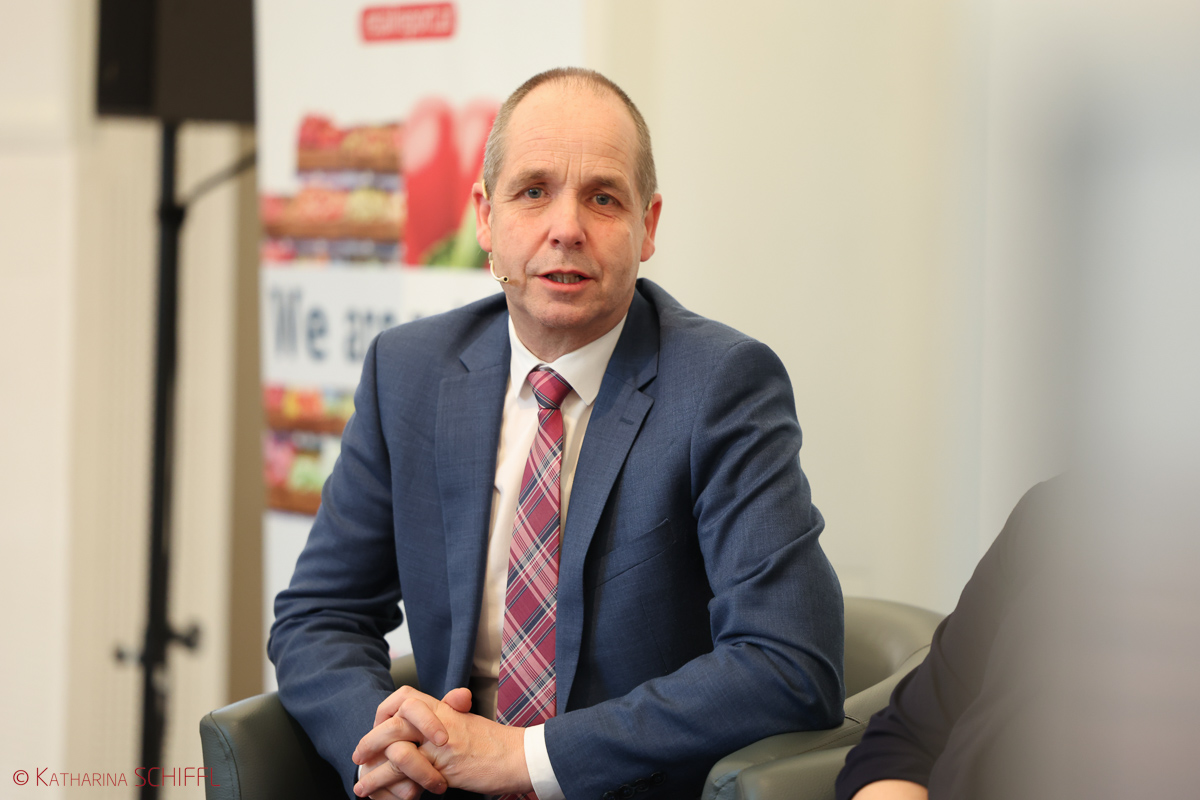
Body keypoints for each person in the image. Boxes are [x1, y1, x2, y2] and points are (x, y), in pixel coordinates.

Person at [269, 67, 844, 800]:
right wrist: (387, 747)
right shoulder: (408, 372)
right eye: (534, 191)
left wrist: (527, 758)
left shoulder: (722, 386)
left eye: (603, 198)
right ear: (485, 217)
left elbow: (790, 662)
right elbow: (320, 615)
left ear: (648, 226)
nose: (566, 228)